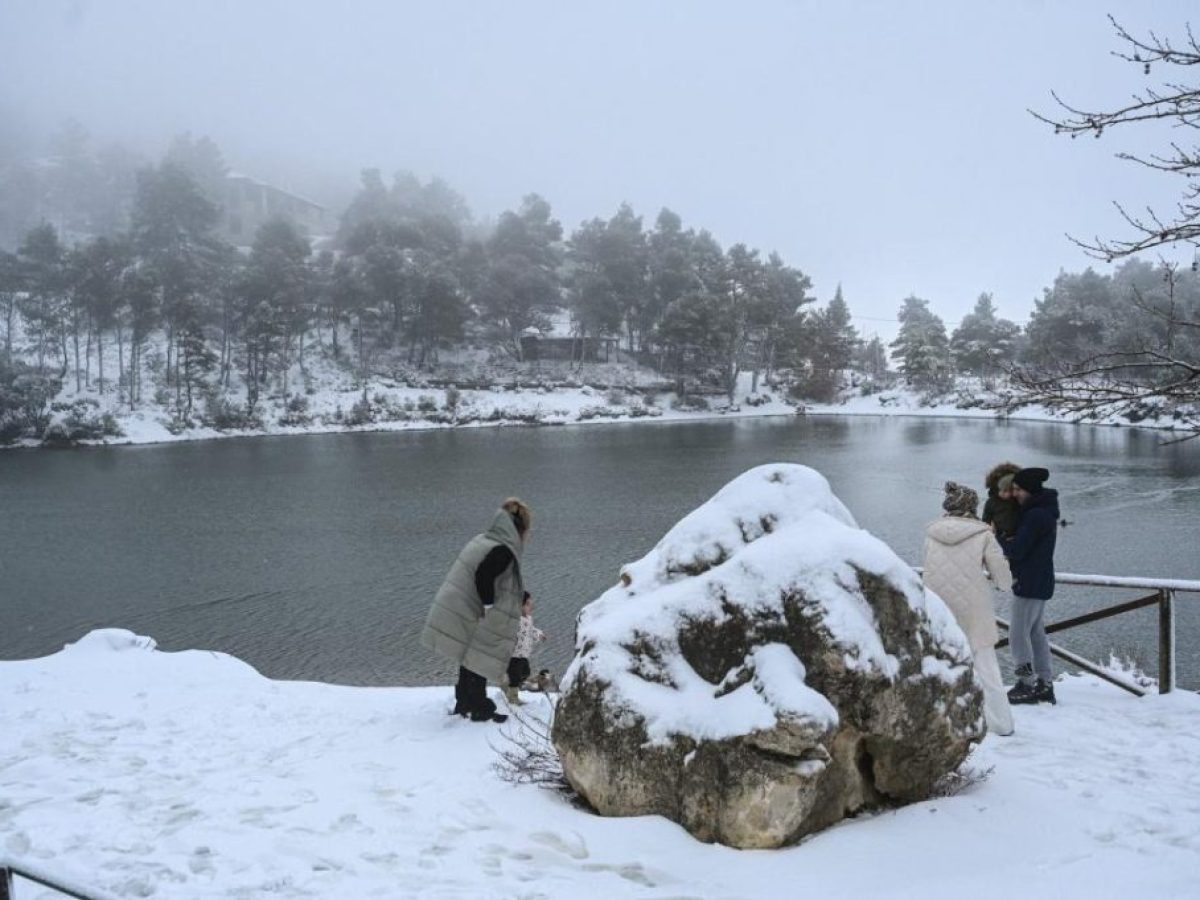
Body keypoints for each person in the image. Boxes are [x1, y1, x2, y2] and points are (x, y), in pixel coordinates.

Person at [420, 497, 533, 723]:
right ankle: (479, 708)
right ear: (519, 529)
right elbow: (483, 575)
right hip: (471, 606)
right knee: (479, 656)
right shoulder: (502, 549)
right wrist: (488, 606)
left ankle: (465, 702)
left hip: (458, 602)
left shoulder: (485, 539)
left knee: (468, 656)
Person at [923, 481, 1015, 737]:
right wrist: (1004, 581)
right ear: (973, 506)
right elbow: (1003, 580)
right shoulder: (984, 534)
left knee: (940, 666)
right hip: (973, 611)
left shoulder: (931, 532)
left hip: (937, 610)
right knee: (986, 668)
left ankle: (943, 721)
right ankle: (1000, 725)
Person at [1002, 467, 1060, 706]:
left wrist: (998, 538)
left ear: (1029, 490)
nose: (1014, 494)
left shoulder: (1035, 515)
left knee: (1017, 635)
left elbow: (1017, 551)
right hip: (1040, 580)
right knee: (1035, 634)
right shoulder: (1045, 511)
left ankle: (1027, 684)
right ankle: (1044, 684)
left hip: (1029, 582)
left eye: (1018, 489)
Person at [504, 594, 547, 706]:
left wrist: (539, 635)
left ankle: (510, 684)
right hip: (513, 654)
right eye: (527, 604)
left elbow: (531, 630)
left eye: (530, 604)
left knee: (525, 672)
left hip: (524, 653)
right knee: (515, 674)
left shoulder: (528, 619)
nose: (530, 607)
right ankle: (512, 697)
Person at [982, 462, 1021, 541]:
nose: (1007, 495)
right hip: (998, 535)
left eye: (1010, 491)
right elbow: (986, 519)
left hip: (1015, 536)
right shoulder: (991, 502)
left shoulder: (1018, 500)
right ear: (997, 488)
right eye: (1004, 491)